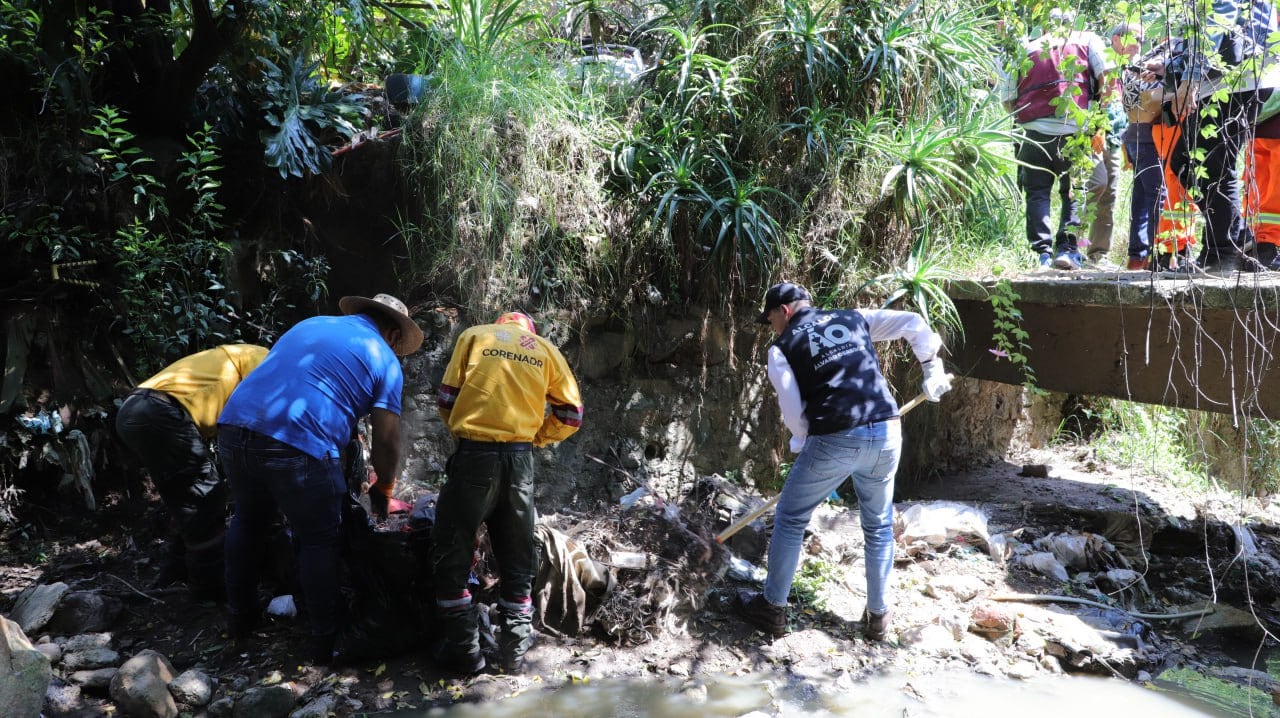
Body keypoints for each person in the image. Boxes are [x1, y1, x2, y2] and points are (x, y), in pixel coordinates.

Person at [735, 282, 951, 641]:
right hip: (886, 431)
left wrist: (803, 440)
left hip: (835, 434)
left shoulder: (782, 348)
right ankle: (877, 618)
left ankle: (772, 609)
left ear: (784, 311)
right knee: (879, 525)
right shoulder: (854, 318)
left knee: (789, 517)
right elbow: (912, 322)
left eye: (770, 318)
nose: (771, 326)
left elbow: (791, 407)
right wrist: (932, 367)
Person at [217, 293, 422, 664]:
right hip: (297, 444)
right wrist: (384, 489)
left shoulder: (310, 325)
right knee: (319, 540)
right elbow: (388, 440)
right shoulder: (385, 359)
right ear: (394, 334)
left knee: (249, 520)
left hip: (233, 428)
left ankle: (239, 619)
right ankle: (325, 642)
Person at [431, 311, 583, 674]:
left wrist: (465, 436)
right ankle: (513, 655)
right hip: (520, 462)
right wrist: (535, 438)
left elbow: (447, 398)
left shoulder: (475, 336)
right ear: (529, 330)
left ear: (501, 324)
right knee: (516, 557)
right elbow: (571, 415)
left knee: (452, 550)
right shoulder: (546, 350)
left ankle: (466, 654)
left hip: (473, 457)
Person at [115, 344, 268, 600]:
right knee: (207, 497)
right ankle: (210, 589)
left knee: (184, 497)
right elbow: (261, 409)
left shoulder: (237, 355)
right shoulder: (264, 357)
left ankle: (177, 569)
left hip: (134, 410)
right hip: (160, 412)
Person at [1165, 0, 1278, 272]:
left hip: (1234, 81)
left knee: (1213, 167)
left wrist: (1189, 79)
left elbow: (1220, 15)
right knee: (1186, 161)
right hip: (1238, 79)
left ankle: (1222, 255)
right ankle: (1232, 243)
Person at [1001, 11, 1111, 270]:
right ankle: (1068, 251)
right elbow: (1107, 79)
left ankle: (1041, 254)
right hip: (1074, 129)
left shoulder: (1026, 48)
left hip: (1032, 133)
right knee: (1074, 192)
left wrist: (1033, 118)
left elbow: (1007, 100)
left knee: (1037, 192)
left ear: (1044, 26)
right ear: (1074, 21)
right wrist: (1097, 116)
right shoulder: (1088, 40)